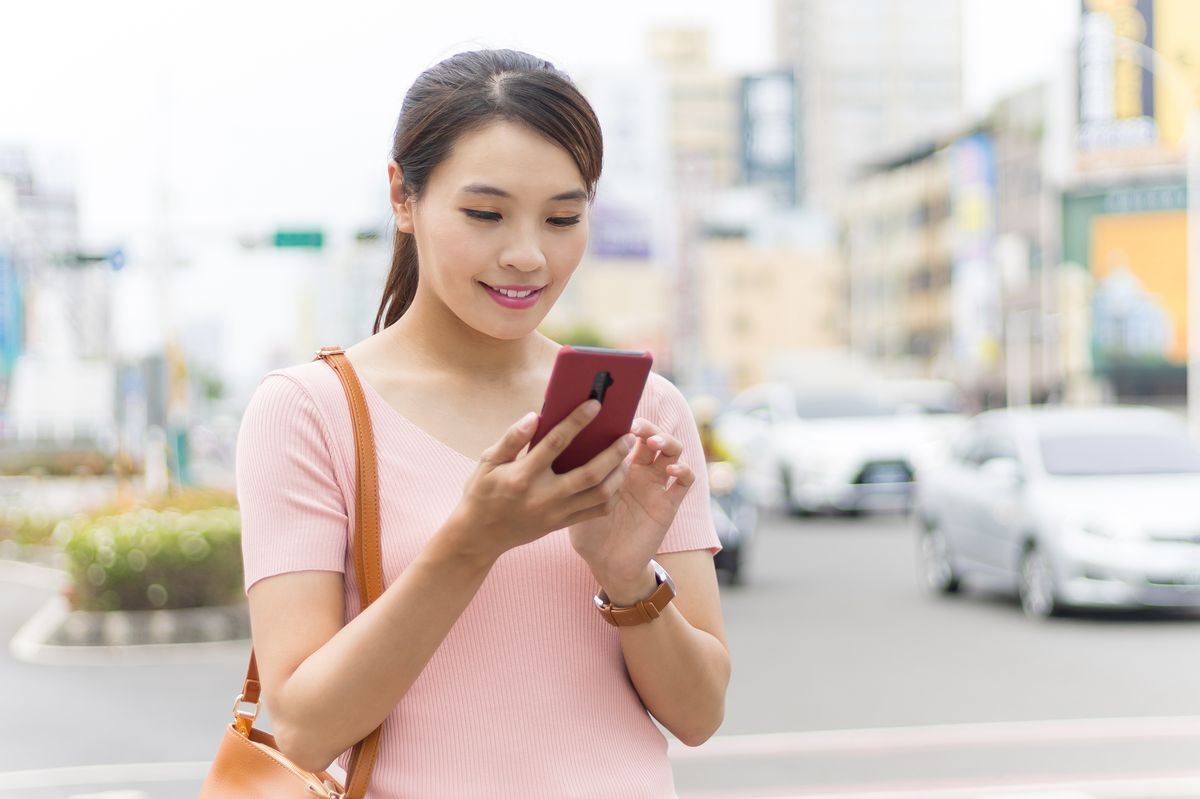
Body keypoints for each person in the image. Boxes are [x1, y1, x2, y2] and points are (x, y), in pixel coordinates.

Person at [235, 48, 729, 799]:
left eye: (563, 217)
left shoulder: (644, 409)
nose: (528, 255)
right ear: (403, 197)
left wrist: (628, 578)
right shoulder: (311, 411)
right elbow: (303, 725)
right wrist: (474, 539)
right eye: (485, 214)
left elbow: (699, 714)